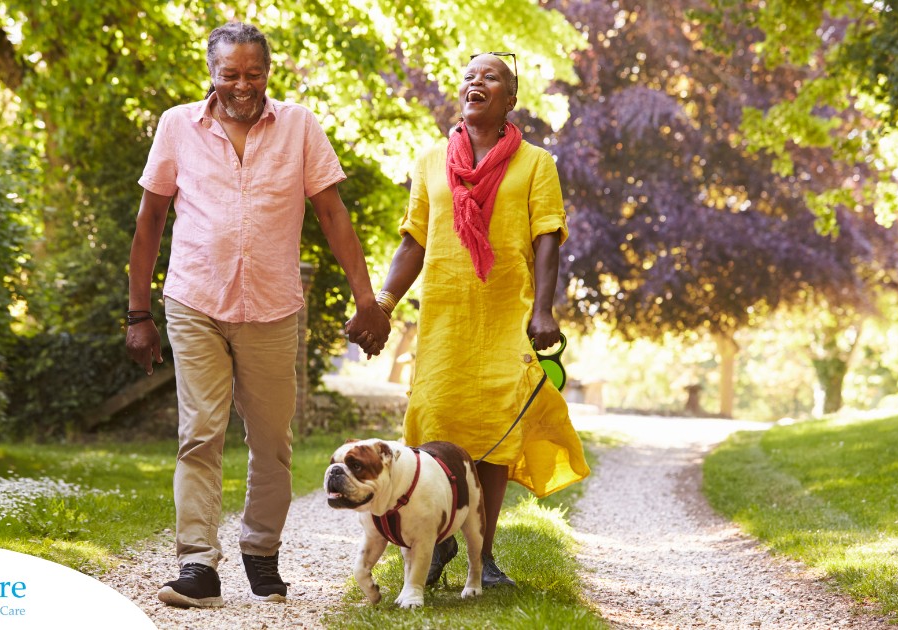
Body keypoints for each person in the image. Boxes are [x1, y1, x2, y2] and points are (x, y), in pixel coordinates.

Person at [125, 22, 389, 609]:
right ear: (212, 74)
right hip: (195, 300)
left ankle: (261, 552)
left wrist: (365, 298)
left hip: (271, 308)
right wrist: (137, 313)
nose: (243, 85)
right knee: (200, 435)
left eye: (254, 73)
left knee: (272, 443)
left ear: (268, 72)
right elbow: (149, 222)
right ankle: (197, 564)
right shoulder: (177, 126)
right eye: (230, 74)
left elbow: (332, 213)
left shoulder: (299, 126)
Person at [365, 52, 590, 588]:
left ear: (511, 98)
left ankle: (481, 558)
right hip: (444, 318)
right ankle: (434, 542)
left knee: (493, 438)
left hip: (504, 317)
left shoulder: (536, 164)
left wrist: (543, 310)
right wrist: (383, 302)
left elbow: (546, 238)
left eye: (490, 76)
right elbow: (414, 241)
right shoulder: (430, 161)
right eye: (470, 76)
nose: (476, 82)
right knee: (436, 427)